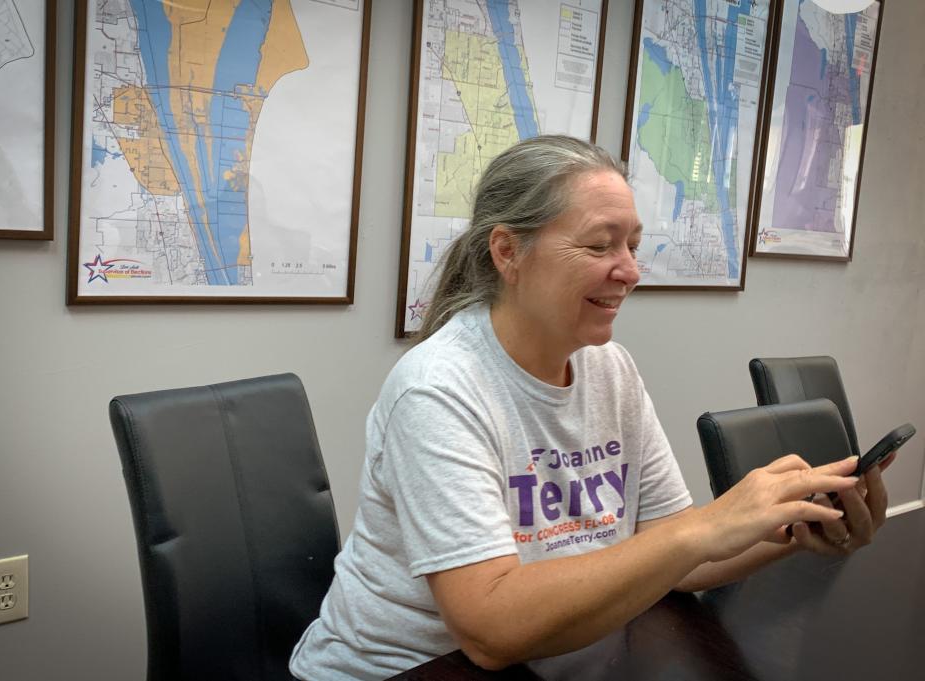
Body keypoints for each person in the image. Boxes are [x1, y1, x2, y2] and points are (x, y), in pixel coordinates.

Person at [289, 135, 888, 680]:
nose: (629, 270)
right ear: (507, 252)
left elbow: (673, 558)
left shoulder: (611, 369)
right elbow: (491, 629)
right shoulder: (439, 388)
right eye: (601, 245)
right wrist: (703, 526)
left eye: (632, 244)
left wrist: (796, 530)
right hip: (405, 670)